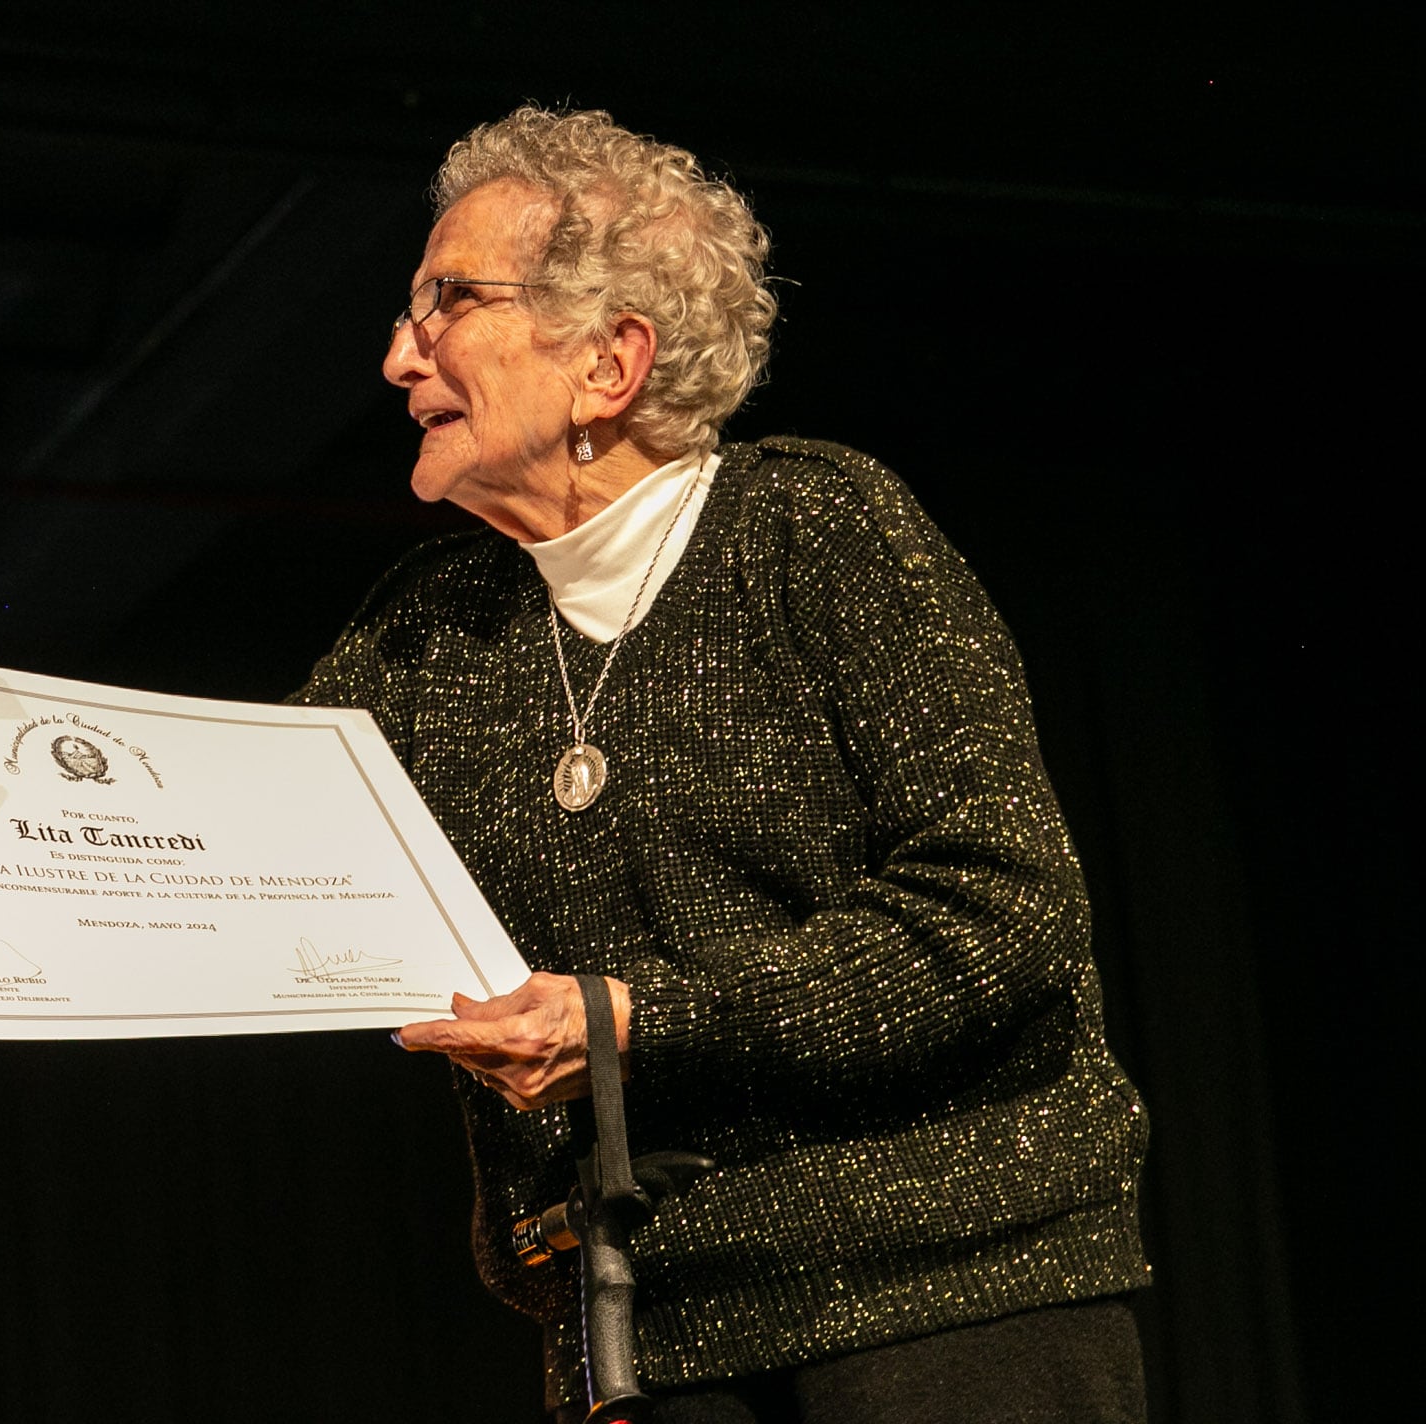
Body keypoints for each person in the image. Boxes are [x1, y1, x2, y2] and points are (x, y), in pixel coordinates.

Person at [298, 109, 1150, 1421]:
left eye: (446, 302)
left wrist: (646, 1021)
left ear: (609, 362)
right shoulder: (424, 634)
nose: (398, 354)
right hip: (643, 1335)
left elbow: (1003, 913)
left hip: (950, 1298)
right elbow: (222, 829)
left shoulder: (816, 527)